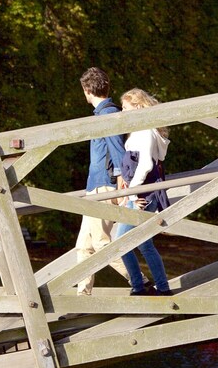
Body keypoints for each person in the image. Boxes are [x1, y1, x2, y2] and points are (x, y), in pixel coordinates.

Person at [73, 67, 151, 296]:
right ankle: (82, 297)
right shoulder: (103, 114)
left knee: (100, 243)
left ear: (86, 90)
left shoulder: (107, 115)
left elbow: (118, 151)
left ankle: (139, 280)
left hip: (103, 185)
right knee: (83, 247)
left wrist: (122, 184)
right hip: (94, 185)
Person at [116, 88, 173, 296]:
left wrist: (132, 193)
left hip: (141, 195)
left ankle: (139, 286)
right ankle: (160, 287)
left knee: (121, 243)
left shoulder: (144, 131)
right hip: (142, 193)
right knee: (144, 244)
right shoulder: (144, 131)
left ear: (138, 106)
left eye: (125, 107)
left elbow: (146, 165)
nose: (122, 112)